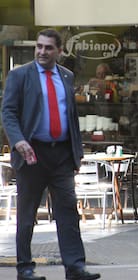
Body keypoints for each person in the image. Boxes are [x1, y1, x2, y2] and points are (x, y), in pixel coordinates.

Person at [1, 28, 101, 280]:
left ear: (59, 51)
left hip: (62, 156)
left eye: (48, 47)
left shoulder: (66, 76)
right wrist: (18, 141)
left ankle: (75, 267)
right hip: (32, 153)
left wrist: (75, 154)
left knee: (68, 211)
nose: (42, 51)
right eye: (39, 46)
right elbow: (8, 112)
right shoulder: (20, 75)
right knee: (27, 215)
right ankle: (25, 268)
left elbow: (71, 118)